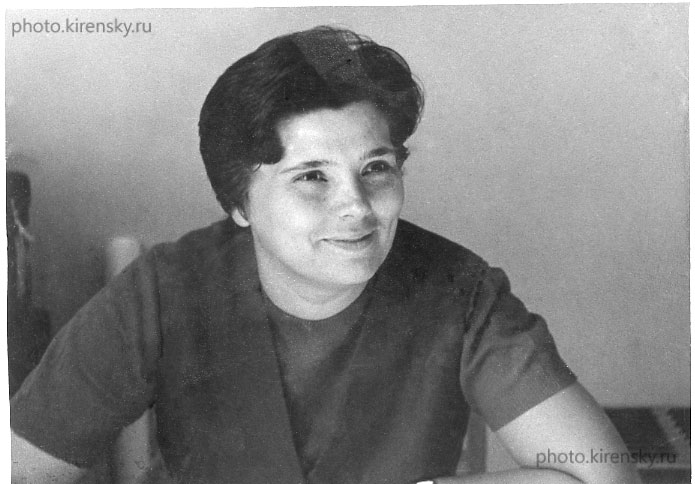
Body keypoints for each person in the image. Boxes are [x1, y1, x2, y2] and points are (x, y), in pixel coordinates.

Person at [10, 26, 640, 484]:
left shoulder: (462, 293)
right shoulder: (161, 292)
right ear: (239, 202)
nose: (357, 208)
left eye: (377, 168)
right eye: (312, 176)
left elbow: (599, 477)